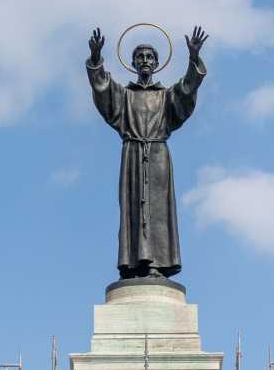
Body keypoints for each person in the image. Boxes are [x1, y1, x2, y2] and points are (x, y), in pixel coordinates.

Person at [86, 25, 209, 279]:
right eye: (140, 57)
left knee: (158, 211)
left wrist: (194, 59)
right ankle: (132, 265)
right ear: (132, 62)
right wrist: (96, 60)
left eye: (149, 57)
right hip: (131, 155)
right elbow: (103, 89)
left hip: (157, 156)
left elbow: (186, 89)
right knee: (132, 209)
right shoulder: (125, 96)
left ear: (156, 63)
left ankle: (157, 263)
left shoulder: (165, 96)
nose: (145, 61)